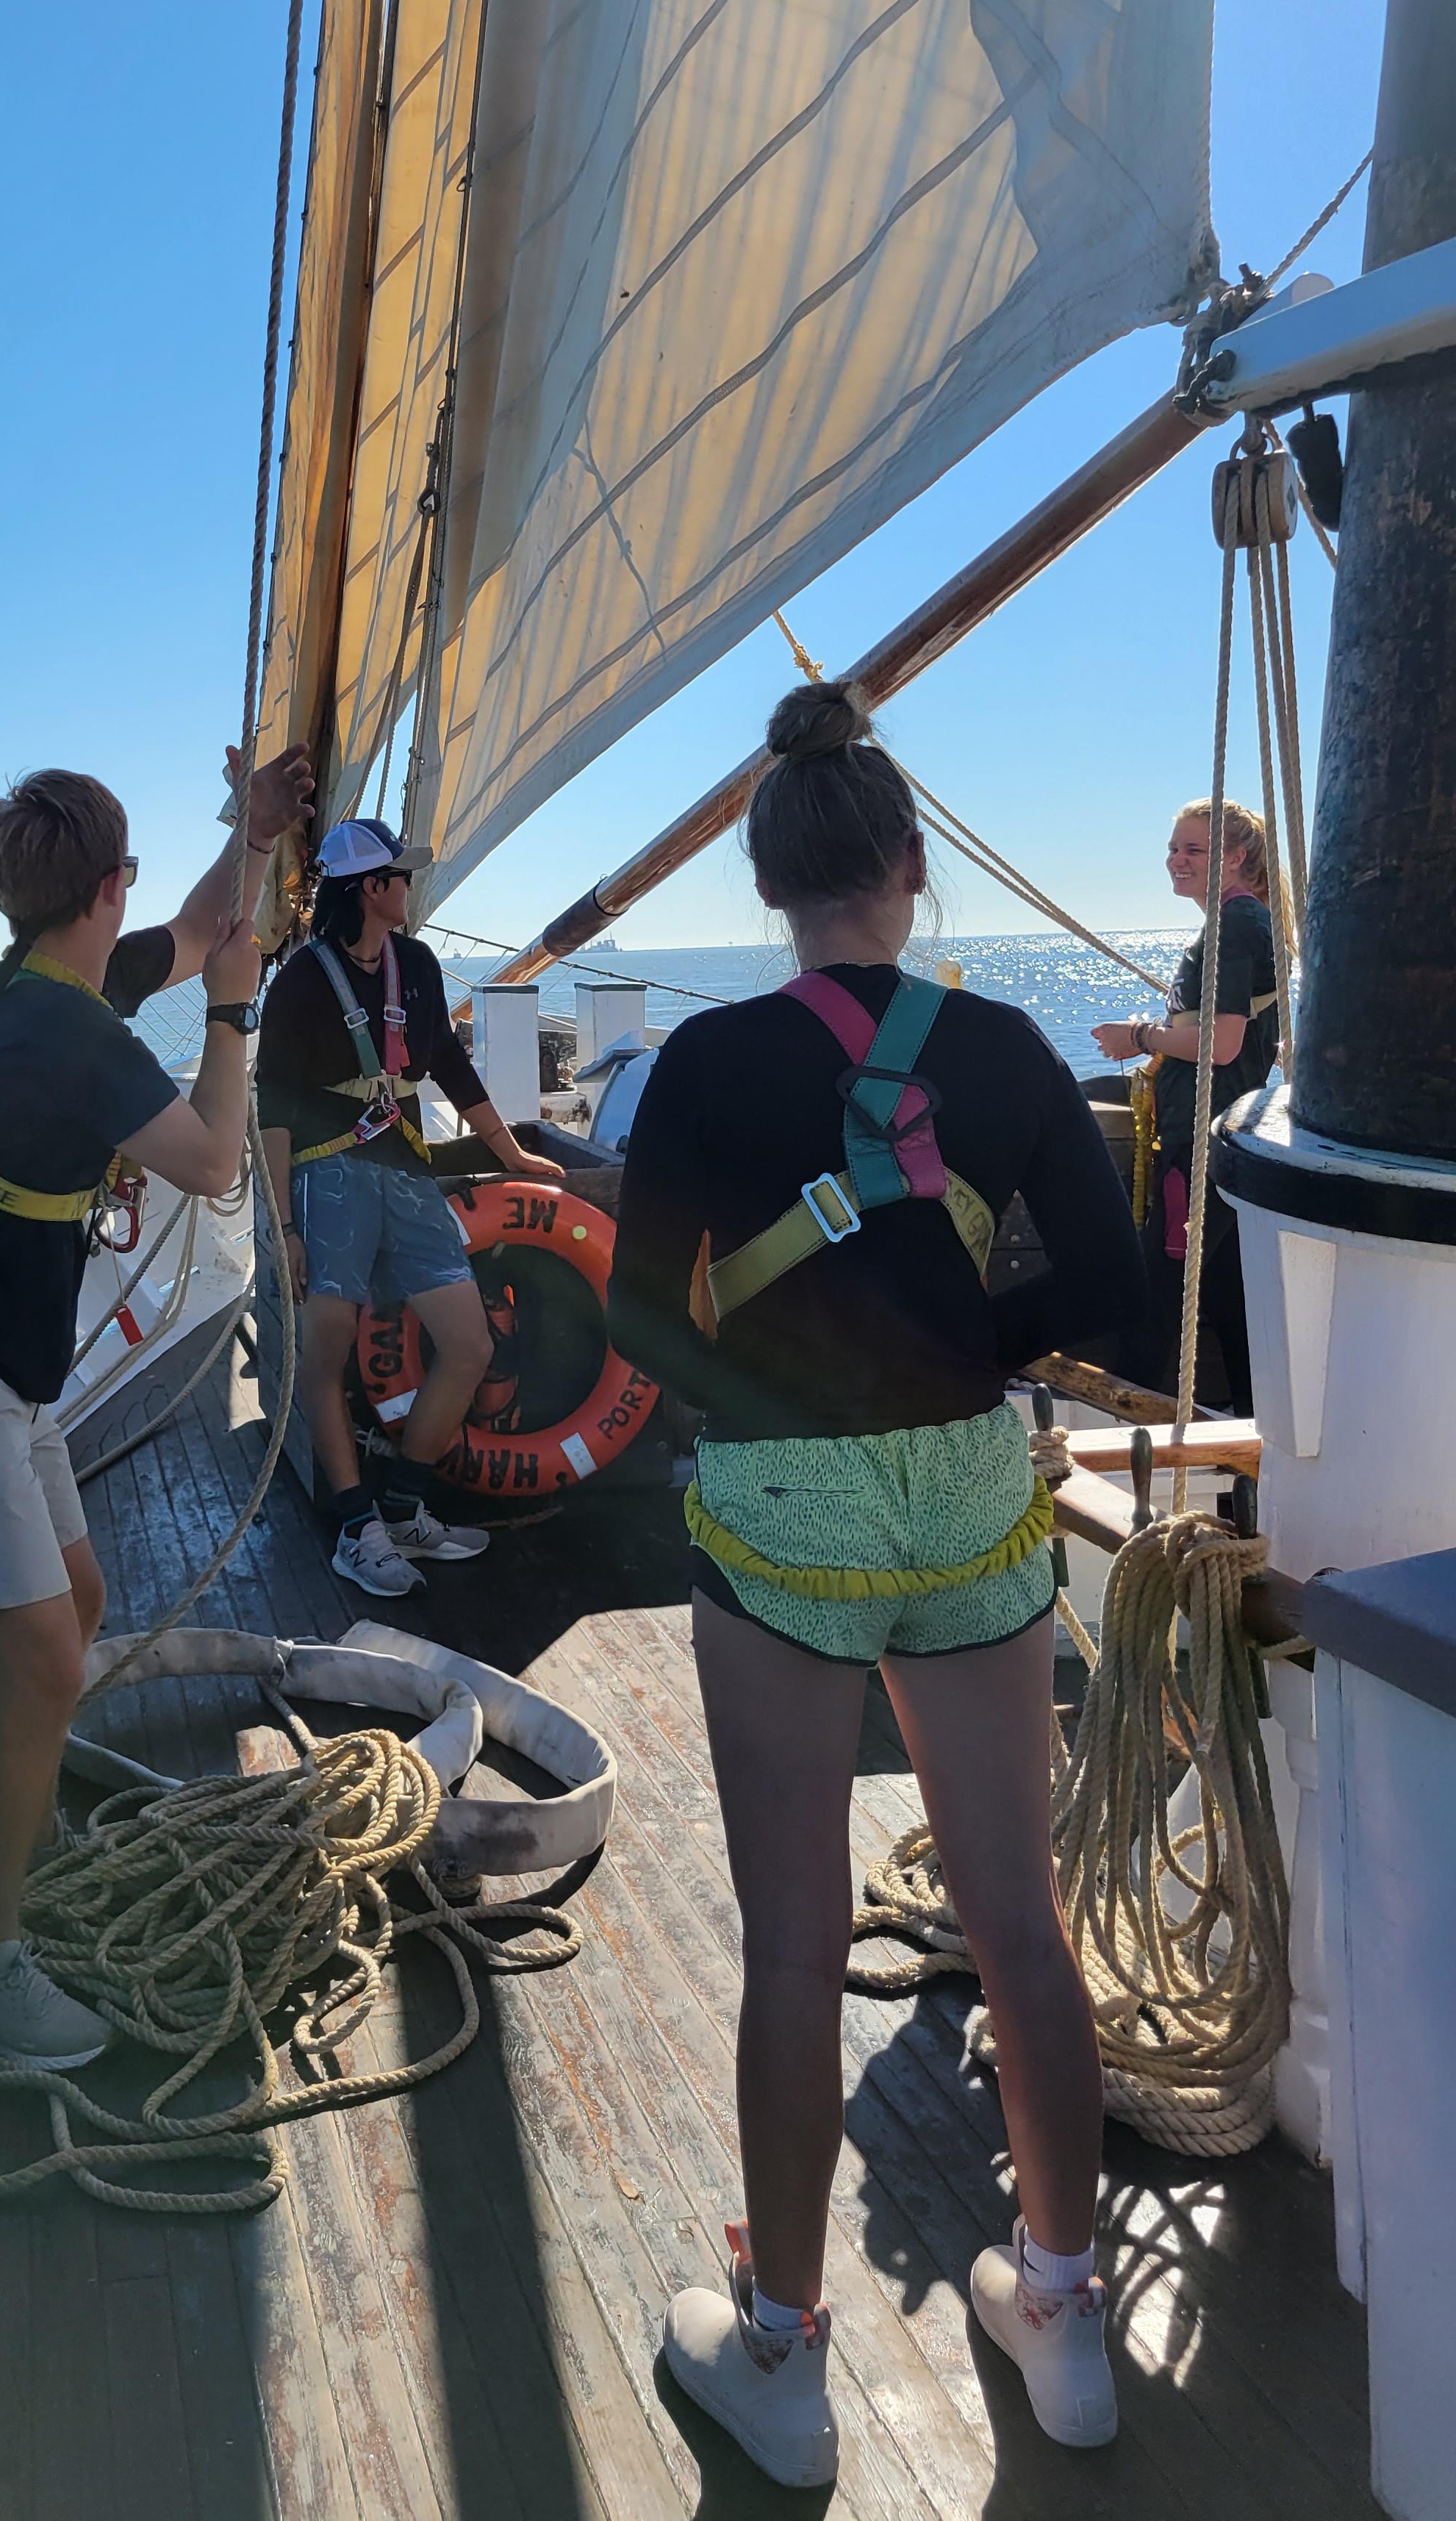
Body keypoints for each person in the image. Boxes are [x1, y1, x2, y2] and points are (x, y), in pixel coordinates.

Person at [607, 684, 1145, 2488]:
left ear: (773, 883)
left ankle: (779, 2359)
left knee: (794, 1941)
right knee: (1018, 1920)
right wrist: (961, 1342)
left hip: (783, 1516)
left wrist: (778, 1391)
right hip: (979, 1494)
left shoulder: (699, 1066)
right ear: (908, 871)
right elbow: (1112, 1304)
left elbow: (632, 1325)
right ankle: (1063, 2317)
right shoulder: (1001, 1057)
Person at [0, 746, 313, 2068]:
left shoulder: (44, 984)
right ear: (110, 883)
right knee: (41, 1665)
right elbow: (216, 1164)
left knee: (80, 1608)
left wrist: (256, 833)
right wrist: (233, 1012)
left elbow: (216, 918)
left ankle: (17, 1830)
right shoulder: (71, 1030)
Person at [256, 815, 567, 1599]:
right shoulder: (300, 981)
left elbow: (455, 1072)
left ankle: (402, 1509)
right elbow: (274, 1110)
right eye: (400, 875)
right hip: (329, 1182)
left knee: (468, 1344)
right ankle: (357, 1532)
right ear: (372, 889)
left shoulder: (418, 966)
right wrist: (286, 1227)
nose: (409, 886)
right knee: (325, 1360)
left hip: (405, 1177)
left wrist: (513, 1157)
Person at [1090, 801, 1279, 1413]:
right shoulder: (1237, 923)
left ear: (1235, 857)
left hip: (1201, 1142)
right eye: (1174, 849)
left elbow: (1221, 1046)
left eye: (1193, 851)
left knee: (1154, 1293)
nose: (1177, 860)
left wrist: (1138, 1037)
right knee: (1226, 1298)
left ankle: (1118, 1431)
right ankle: (1255, 1438)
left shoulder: (1233, 926)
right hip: (1217, 1137)